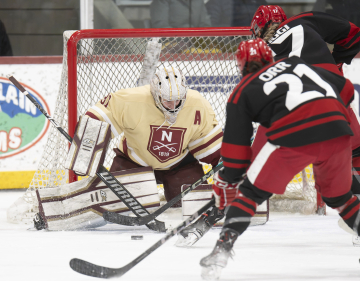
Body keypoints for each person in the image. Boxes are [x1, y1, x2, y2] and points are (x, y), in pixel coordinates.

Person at [199, 38, 359, 280]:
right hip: (338, 131)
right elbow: (346, 90)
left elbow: (235, 155)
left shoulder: (242, 91)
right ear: (270, 58)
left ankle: (221, 250)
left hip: (292, 137)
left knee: (250, 194)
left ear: (240, 65)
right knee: (341, 199)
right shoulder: (298, 63)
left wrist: (226, 180)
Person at [33, 67, 224, 231]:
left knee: (194, 205)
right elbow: (97, 119)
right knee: (109, 202)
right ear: (156, 94)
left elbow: (211, 145)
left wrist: (225, 163)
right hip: (134, 162)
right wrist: (85, 153)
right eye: (167, 101)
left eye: (178, 101)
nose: (173, 106)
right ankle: (54, 211)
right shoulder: (131, 100)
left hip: (179, 164)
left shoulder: (198, 104)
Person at [249, 5, 360, 196]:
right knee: (356, 154)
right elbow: (353, 34)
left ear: (259, 28)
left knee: (256, 166)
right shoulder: (305, 19)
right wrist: (338, 61)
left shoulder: (259, 51)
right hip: (333, 92)